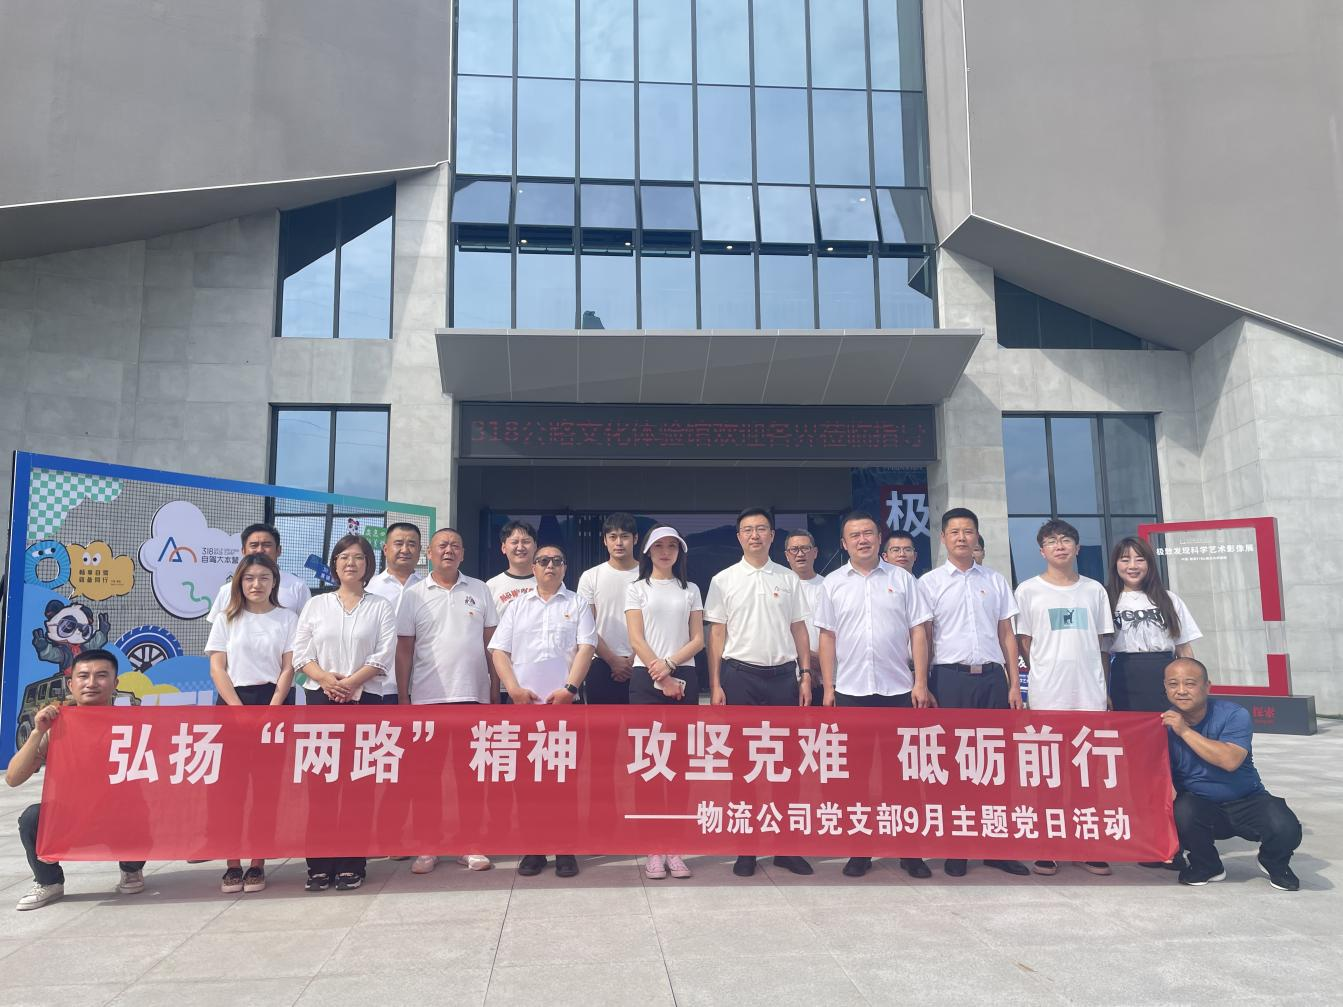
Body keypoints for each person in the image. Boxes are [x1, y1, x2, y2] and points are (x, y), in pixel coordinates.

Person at [816, 511, 934, 880]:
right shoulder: (832, 584)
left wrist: (920, 681)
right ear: (844, 543)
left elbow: (918, 632)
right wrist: (829, 687)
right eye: (854, 535)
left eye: (868, 533)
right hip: (851, 692)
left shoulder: (903, 580)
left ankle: (910, 852)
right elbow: (827, 638)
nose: (862, 540)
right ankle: (860, 850)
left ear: (879, 538)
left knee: (904, 778)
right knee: (855, 779)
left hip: (899, 691)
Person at [918, 507, 1030, 879]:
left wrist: (1014, 683)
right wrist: (923, 682)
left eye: (968, 531)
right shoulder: (929, 583)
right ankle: (958, 848)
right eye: (954, 532)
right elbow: (924, 637)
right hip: (950, 680)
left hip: (992, 680)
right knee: (954, 765)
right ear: (943, 538)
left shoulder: (995, 580)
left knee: (995, 764)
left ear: (977, 537)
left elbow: (1006, 634)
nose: (962, 537)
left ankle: (997, 848)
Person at [705, 507, 814, 879]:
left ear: (772, 535)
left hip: (783, 678)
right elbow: (716, 634)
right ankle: (747, 849)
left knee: (786, 767)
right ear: (739, 536)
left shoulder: (788, 578)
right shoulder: (723, 580)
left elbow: (799, 629)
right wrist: (715, 684)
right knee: (743, 768)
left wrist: (805, 674)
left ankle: (786, 848)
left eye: (761, 529)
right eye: (748, 529)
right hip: (740, 677)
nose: (755, 535)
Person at [292, 534, 397, 891]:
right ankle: (319, 865)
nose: (351, 563)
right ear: (334, 564)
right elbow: (301, 654)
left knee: (358, 786)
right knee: (320, 786)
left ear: (369, 564)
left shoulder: (380, 607)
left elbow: (383, 654)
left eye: (358, 557)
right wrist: (326, 680)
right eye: (343, 557)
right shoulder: (316, 604)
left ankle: (353, 863)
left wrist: (351, 683)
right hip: (320, 700)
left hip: (365, 699)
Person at [7, 650, 148, 911]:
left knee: (142, 808)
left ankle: (131, 868)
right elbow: (13, 779)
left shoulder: (132, 725)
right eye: (83, 676)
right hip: (70, 819)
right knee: (31, 818)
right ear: (71, 684)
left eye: (101, 675)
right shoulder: (56, 726)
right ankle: (49, 882)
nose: (91, 683)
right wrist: (38, 732)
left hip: (117, 817)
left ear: (115, 683)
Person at [1014, 518, 1115, 878]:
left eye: (1066, 540)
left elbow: (1102, 644)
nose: (1060, 546)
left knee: (1087, 776)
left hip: (1089, 694)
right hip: (1049, 695)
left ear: (1077, 548)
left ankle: (1087, 846)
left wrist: (1104, 689)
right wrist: (1041, 675)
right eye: (1052, 541)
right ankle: (1049, 846)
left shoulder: (1094, 590)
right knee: (1049, 776)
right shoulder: (1028, 591)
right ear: (1041, 551)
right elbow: (1024, 642)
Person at [489, 544, 596, 879]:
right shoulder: (517, 606)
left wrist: (570, 689)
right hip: (524, 708)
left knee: (564, 781)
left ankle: (565, 850)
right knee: (527, 783)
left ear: (565, 568)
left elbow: (587, 648)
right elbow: (499, 651)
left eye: (557, 561)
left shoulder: (577, 603)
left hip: (565, 707)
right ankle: (533, 849)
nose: (550, 566)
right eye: (544, 561)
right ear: (533, 568)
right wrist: (513, 689)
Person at [396, 528, 500, 875]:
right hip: (428, 700)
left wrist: (494, 689)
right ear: (429, 553)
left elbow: (491, 646)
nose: (449, 551)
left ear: (463, 553)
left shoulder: (480, 590)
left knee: (472, 777)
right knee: (427, 779)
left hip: (473, 696)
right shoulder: (414, 595)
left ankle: (471, 844)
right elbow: (404, 650)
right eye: (442, 545)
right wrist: (403, 696)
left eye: (455, 546)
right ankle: (428, 845)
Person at [1164, 658, 1302, 890]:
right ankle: (1206, 865)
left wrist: (1184, 731)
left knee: (1286, 827)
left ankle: (1273, 861)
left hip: (1247, 799)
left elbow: (1230, 760)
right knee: (1182, 811)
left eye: (1189, 683)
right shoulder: (1162, 724)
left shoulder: (1233, 714)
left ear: (1207, 686)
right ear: (1165, 688)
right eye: (1173, 684)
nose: (1181, 691)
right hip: (1199, 804)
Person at [204, 552, 297, 895]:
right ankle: (232, 864)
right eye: (249, 578)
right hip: (233, 704)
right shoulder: (226, 618)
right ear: (239, 583)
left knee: (266, 789)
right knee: (230, 791)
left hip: (274, 703)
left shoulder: (287, 618)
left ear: (274, 582)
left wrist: (273, 708)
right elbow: (217, 668)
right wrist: (237, 709)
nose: (256, 584)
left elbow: (289, 667)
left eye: (263, 578)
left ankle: (258, 862)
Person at [625, 526, 705, 879]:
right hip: (646, 678)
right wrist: (660, 673)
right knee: (649, 766)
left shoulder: (691, 589)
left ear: (679, 552)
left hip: (683, 676)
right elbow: (635, 638)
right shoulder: (636, 588)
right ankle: (653, 849)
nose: (665, 551)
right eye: (659, 546)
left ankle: (675, 847)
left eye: (672, 546)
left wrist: (670, 665)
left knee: (679, 766)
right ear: (647, 551)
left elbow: (698, 639)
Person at [1106, 536, 1202, 712]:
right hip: (1124, 675)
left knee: (1169, 725)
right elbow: (1102, 653)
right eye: (1125, 560)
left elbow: (1183, 648)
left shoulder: (1169, 599)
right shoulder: (1107, 600)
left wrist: (1191, 684)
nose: (1132, 566)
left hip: (1166, 673)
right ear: (1115, 564)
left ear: (1149, 564)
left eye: (1140, 559)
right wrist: (1103, 690)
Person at [577, 512, 641, 705]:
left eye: (625, 536)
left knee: (641, 723)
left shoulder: (649, 575)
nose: (618, 543)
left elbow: (655, 622)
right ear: (605, 541)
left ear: (635, 539)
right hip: (601, 662)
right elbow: (586, 626)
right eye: (613, 537)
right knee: (600, 723)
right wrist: (612, 660)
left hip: (643, 663)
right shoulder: (591, 576)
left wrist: (635, 658)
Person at [365, 522, 426, 704]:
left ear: (420, 550)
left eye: (412, 544)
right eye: (398, 543)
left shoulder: (428, 588)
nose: (405, 550)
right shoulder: (369, 588)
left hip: (420, 687)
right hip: (375, 685)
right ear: (385, 549)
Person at [206, 522, 311, 622]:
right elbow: (218, 629)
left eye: (267, 545)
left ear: (279, 550)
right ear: (243, 551)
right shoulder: (227, 590)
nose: (260, 550)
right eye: (254, 545)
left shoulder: (298, 587)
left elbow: (307, 627)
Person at [783, 529, 826, 707]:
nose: (800, 554)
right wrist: (805, 663)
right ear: (787, 555)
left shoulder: (829, 586)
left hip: (825, 677)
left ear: (815, 552)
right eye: (794, 549)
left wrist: (819, 662)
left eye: (805, 548)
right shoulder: (779, 586)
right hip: (786, 676)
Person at [485, 520, 538, 616]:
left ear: (535, 546)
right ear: (503, 548)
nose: (520, 547)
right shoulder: (491, 586)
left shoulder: (549, 582)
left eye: (526, 542)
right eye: (514, 542)